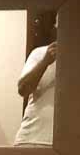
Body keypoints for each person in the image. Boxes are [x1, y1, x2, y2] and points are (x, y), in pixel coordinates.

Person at [14, 12, 57, 146]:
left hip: (66, 144)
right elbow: (23, 89)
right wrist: (45, 61)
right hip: (30, 138)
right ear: (55, 29)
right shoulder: (39, 53)